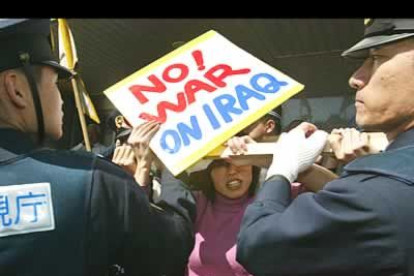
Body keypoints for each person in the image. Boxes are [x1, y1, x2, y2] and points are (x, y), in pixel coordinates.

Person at [0, 19, 193, 276]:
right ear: (16, 89)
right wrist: (174, 165)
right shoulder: (93, 181)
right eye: (56, 84)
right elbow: (170, 252)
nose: (61, 100)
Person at [237, 18, 414, 275]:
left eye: (377, 58)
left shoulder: (377, 197)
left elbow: (258, 244)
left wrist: (282, 171)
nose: (356, 78)